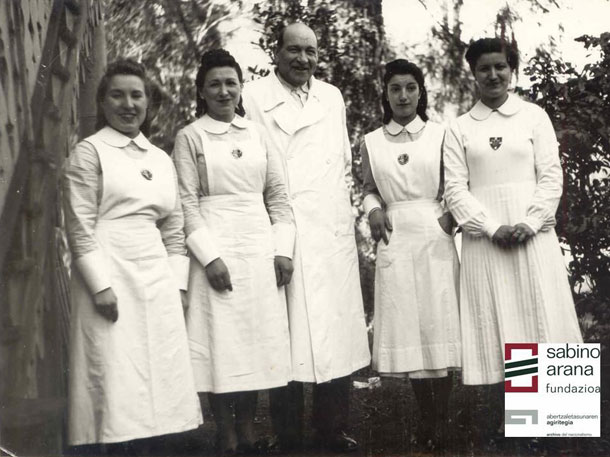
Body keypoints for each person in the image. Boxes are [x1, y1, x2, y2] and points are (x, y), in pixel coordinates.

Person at [242, 23, 370, 453]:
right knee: (289, 333)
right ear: (275, 52)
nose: (303, 59)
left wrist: (341, 217)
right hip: (285, 226)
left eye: (311, 51)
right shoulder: (255, 97)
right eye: (293, 50)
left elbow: (343, 164)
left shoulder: (331, 97)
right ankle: (289, 433)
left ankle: (332, 430)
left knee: (334, 332)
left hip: (329, 231)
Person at [64, 59, 202, 453]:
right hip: (109, 269)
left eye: (136, 95)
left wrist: (178, 285)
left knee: (156, 372)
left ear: (148, 102)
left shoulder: (159, 158)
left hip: (155, 273)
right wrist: (100, 286)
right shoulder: (89, 153)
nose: (128, 104)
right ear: (103, 101)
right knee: (113, 372)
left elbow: (175, 229)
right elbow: (79, 227)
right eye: (118, 95)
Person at [172, 49, 295, 455]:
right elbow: (185, 203)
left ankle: (248, 427)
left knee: (254, 340)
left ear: (240, 88)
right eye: (214, 84)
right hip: (215, 240)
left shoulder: (258, 133)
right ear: (201, 91)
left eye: (230, 83)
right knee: (220, 342)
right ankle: (224, 430)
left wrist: (283, 250)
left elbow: (277, 195)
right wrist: (209, 257)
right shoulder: (191, 136)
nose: (224, 91)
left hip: (258, 245)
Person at [443, 38, 582, 388]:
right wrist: (491, 227)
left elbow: (551, 176)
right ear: (473, 74)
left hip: (532, 234)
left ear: (511, 69)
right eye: (484, 69)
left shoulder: (534, 116)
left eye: (500, 66)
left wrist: (531, 221)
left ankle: (560, 420)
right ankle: (522, 421)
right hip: (487, 241)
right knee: (504, 318)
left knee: (542, 312)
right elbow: (455, 190)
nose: (493, 75)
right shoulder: (459, 128)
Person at [361, 59, 461, 449]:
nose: (403, 96)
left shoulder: (440, 134)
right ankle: (427, 419)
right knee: (411, 327)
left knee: (438, 322)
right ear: (385, 94)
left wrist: (449, 217)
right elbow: (369, 187)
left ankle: (438, 420)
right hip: (395, 236)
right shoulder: (372, 140)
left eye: (410, 88)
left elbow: (456, 181)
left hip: (433, 233)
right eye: (395, 89)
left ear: (421, 92)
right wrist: (373, 209)